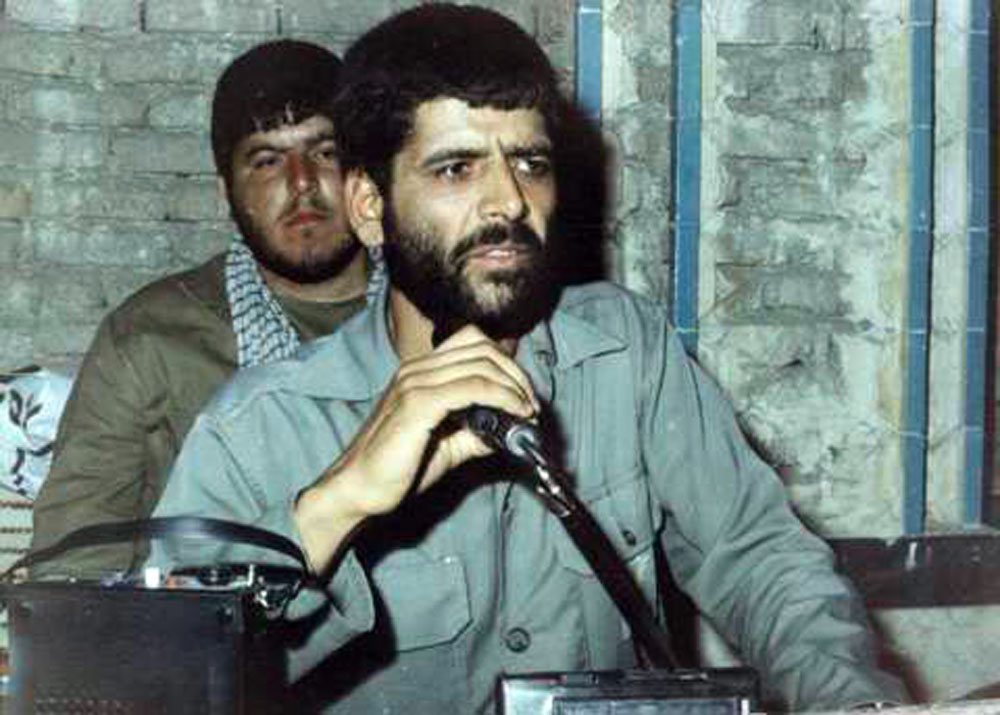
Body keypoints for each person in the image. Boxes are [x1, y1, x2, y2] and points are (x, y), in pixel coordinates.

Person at [149, 5, 907, 713]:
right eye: (456, 169)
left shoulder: (625, 352)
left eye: (529, 163)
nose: (508, 201)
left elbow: (759, 559)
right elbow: (160, 683)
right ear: (369, 208)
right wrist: (341, 498)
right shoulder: (259, 428)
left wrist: (854, 701)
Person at [30, 39, 376, 579]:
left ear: (366, 173)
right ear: (226, 193)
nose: (302, 183)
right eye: (267, 161)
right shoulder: (148, 340)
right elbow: (74, 568)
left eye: (326, 152)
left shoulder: (432, 317)